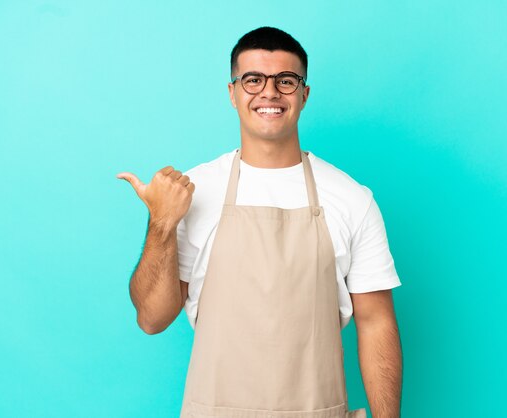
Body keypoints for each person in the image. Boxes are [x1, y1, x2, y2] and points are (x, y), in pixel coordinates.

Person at [117, 26, 402, 418]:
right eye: (253, 80)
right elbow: (151, 319)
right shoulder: (194, 191)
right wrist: (162, 223)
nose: (269, 92)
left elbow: (376, 324)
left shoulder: (351, 199)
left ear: (304, 94)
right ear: (232, 93)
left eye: (285, 81)